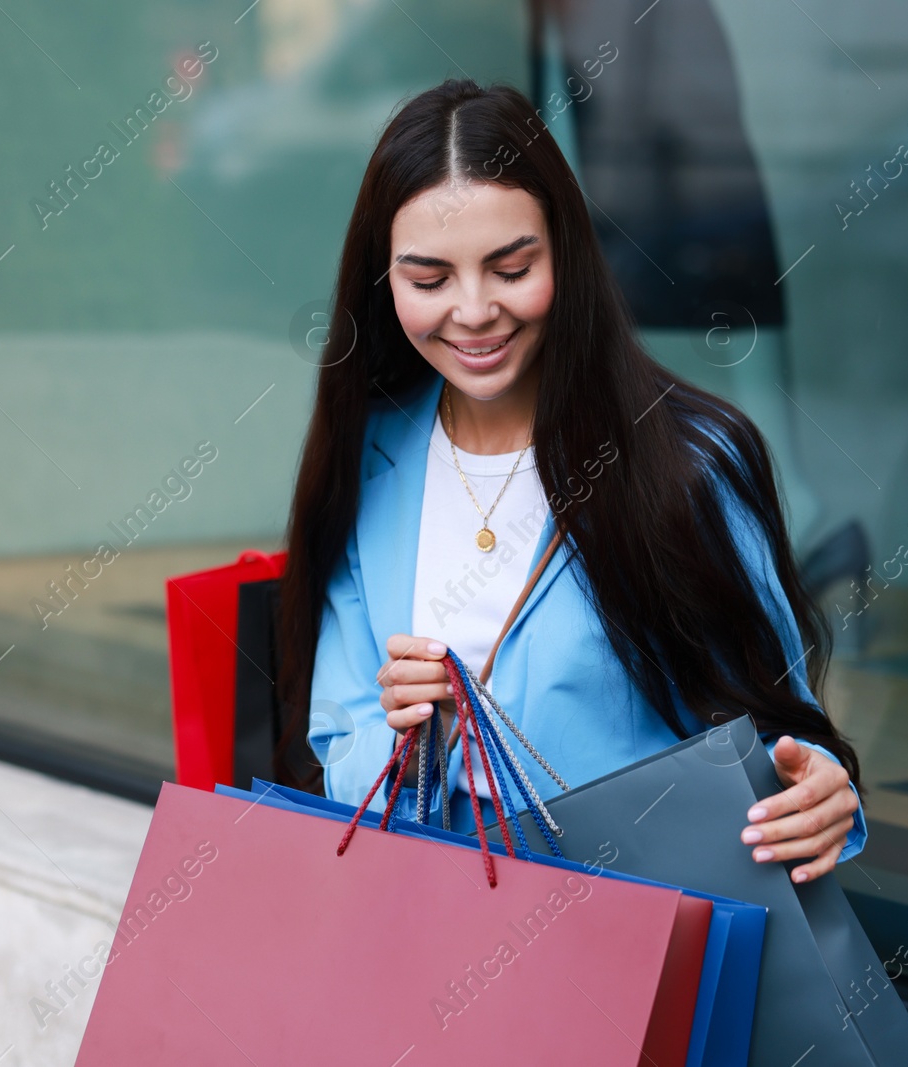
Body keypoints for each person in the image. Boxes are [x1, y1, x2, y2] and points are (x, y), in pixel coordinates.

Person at [277, 78, 865, 883]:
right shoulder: (371, 452)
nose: (474, 310)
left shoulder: (689, 459)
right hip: (430, 915)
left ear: (567, 253)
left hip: (633, 932)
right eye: (430, 279)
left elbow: (780, 743)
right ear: (385, 283)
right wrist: (413, 738)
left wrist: (824, 795)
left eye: (511, 267)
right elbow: (337, 753)